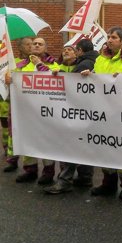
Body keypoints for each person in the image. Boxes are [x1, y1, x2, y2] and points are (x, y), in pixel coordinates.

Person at [83, 26, 122, 200]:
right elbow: (98, 76)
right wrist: (90, 74)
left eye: (114, 37)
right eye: (108, 37)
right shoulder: (101, 59)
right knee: (106, 148)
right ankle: (108, 183)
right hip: (103, 112)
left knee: (121, 149)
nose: (109, 40)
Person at [44, 39, 98, 195]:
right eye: (64, 50)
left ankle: (64, 181)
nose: (66, 52)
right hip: (88, 112)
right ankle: (85, 177)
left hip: (77, 112)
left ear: (79, 51)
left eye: (71, 49)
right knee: (84, 145)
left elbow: (71, 88)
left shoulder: (82, 64)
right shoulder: (96, 61)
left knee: (70, 145)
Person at [11, 37, 60, 185]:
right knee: (27, 141)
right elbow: (13, 83)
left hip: (46, 112)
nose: (36, 45)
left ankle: (48, 172)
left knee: (45, 142)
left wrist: (39, 65)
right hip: (26, 111)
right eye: (34, 44)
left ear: (45, 48)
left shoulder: (53, 64)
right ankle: (30, 170)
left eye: (40, 44)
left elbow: (56, 81)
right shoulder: (20, 65)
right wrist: (8, 80)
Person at [3, 37, 33, 173]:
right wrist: (8, 79)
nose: (31, 47)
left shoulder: (36, 62)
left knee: (28, 133)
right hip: (16, 104)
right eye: (27, 44)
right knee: (12, 132)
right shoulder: (13, 63)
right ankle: (12, 159)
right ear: (20, 47)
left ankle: (29, 166)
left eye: (32, 44)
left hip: (31, 106)